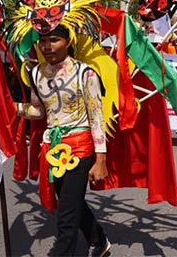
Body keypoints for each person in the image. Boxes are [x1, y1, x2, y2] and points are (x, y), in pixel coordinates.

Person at [29, 24, 111, 257]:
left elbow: (96, 116)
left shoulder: (86, 73)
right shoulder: (35, 73)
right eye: (43, 40)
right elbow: (38, 112)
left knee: (66, 214)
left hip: (80, 146)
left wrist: (101, 159)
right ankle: (99, 239)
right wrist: (8, 108)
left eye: (54, 40)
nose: (47, 46)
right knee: (71, 202)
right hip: (53, 149)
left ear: (68, 42)